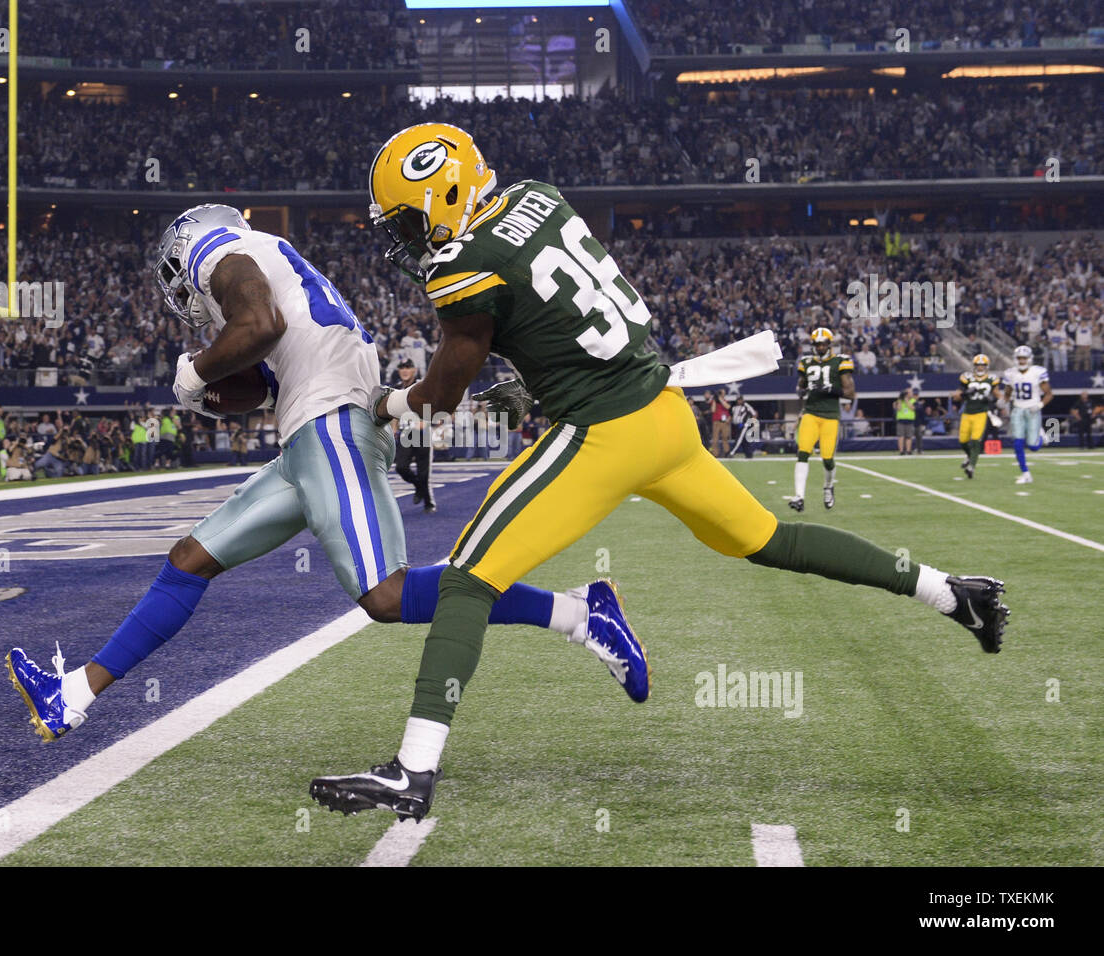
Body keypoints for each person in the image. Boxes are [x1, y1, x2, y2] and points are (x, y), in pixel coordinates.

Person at [310, 122, 1009, 821]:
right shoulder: (537, 197)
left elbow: (445, 392)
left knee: (468, 580)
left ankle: (413, 771)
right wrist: (536, 382)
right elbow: (556, 314)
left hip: (603, 434)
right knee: (769, 539)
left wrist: (388, 402)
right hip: (665, 415)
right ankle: (950, 593)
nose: (406, 237)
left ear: (445, 190)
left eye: (406, 217)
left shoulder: (462, 262)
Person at [6, 203, 642, 743]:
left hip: (330, 425)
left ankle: (580, 614)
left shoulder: (220, 250)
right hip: (309, 434)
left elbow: (260, 326)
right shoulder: (270, 261)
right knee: (188, 559)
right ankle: (75, 695)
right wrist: (205, 390)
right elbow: (258, 380)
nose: (183, 292)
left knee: (386, 596)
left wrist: (196, 372)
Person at [792, 327, 854, 511]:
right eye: (817, 344)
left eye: (823, 344)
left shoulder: (840, 361)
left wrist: (830, 390)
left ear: (829, 344)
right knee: (803, 452)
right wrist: (801, 391)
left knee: (827, 458)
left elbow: (851, 394)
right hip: (810, 412)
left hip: (830, 415)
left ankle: (828, 487)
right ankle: (799, 497)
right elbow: (800, 389)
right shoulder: (806, 362)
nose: (820, 347)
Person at [1001, 344, 1052, 484]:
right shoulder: (1010, 373)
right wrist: (1003, 401)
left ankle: (1041, 435)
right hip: (1017, 409)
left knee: (1034, 447)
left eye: (1024, 358)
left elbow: (1049, 394)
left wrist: (1039, 405)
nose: (1021, 361)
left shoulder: (1037, 372)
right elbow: (1007, 393)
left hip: (1032, 409)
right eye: (1019, 358)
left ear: (1029, 359)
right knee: (1017, 443)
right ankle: (1026, 473)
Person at [391, 358, 435, 512]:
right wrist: (394, 429)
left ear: (414, 370)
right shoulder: (396, 389)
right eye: (402, 367)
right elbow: (394, 411)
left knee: (424, 472)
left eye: (408, 367)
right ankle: (418, 487)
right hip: (405, 433)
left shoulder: (422, 386)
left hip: (421, 433)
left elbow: (433, 404)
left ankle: (429, 503)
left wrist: (426, 422)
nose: (404, 370)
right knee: (401, 467)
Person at [952, 353, 998, 478]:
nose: (980, 368)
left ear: (987, 366)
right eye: (978, 365)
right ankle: (968, 455)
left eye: (983, 365)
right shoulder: (967, 377)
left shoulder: (992, 379)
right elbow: (956, 395)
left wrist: (992, 399)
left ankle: (972, 467)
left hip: (981, 412)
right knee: (962, 441)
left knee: (976, 440)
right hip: (967, 412)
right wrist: (965, 393)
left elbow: (997, 395)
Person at [728, 392, 759, 459]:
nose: (739, 401)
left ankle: (732, 452)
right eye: (738, 399)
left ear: (742, 400)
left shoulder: (746, 405)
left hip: (743, 425)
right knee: (744, 441)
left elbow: (754, 413)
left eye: (740, 399)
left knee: (739, 439)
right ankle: (749, 454)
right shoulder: (734, 407)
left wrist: (750, 423)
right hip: (736, 426)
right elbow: (732, 416)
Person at [708, 388, 731, 457]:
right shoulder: (714, 401)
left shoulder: (725, 401)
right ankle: (715, 453)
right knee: (715, 438)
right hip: (716, 422)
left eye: (722, 393)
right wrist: (715, 399)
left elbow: (728, 407)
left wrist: (720, 399)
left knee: (725, 438)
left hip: (724, 422)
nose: (722, 394)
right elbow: (713, 410)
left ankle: (727, 452)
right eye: (720, 393)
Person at [894, 389, 916, 456]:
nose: (911, 394)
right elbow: (898, 408)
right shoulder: (899, 401)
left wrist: (906, 400)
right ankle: (901, 451)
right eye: (910, 392)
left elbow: (912, 408)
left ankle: (908, 450)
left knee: (909, 436)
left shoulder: (913, 400)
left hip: (909, 420)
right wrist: (900, 400)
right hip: (901, 420)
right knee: (901, 436)